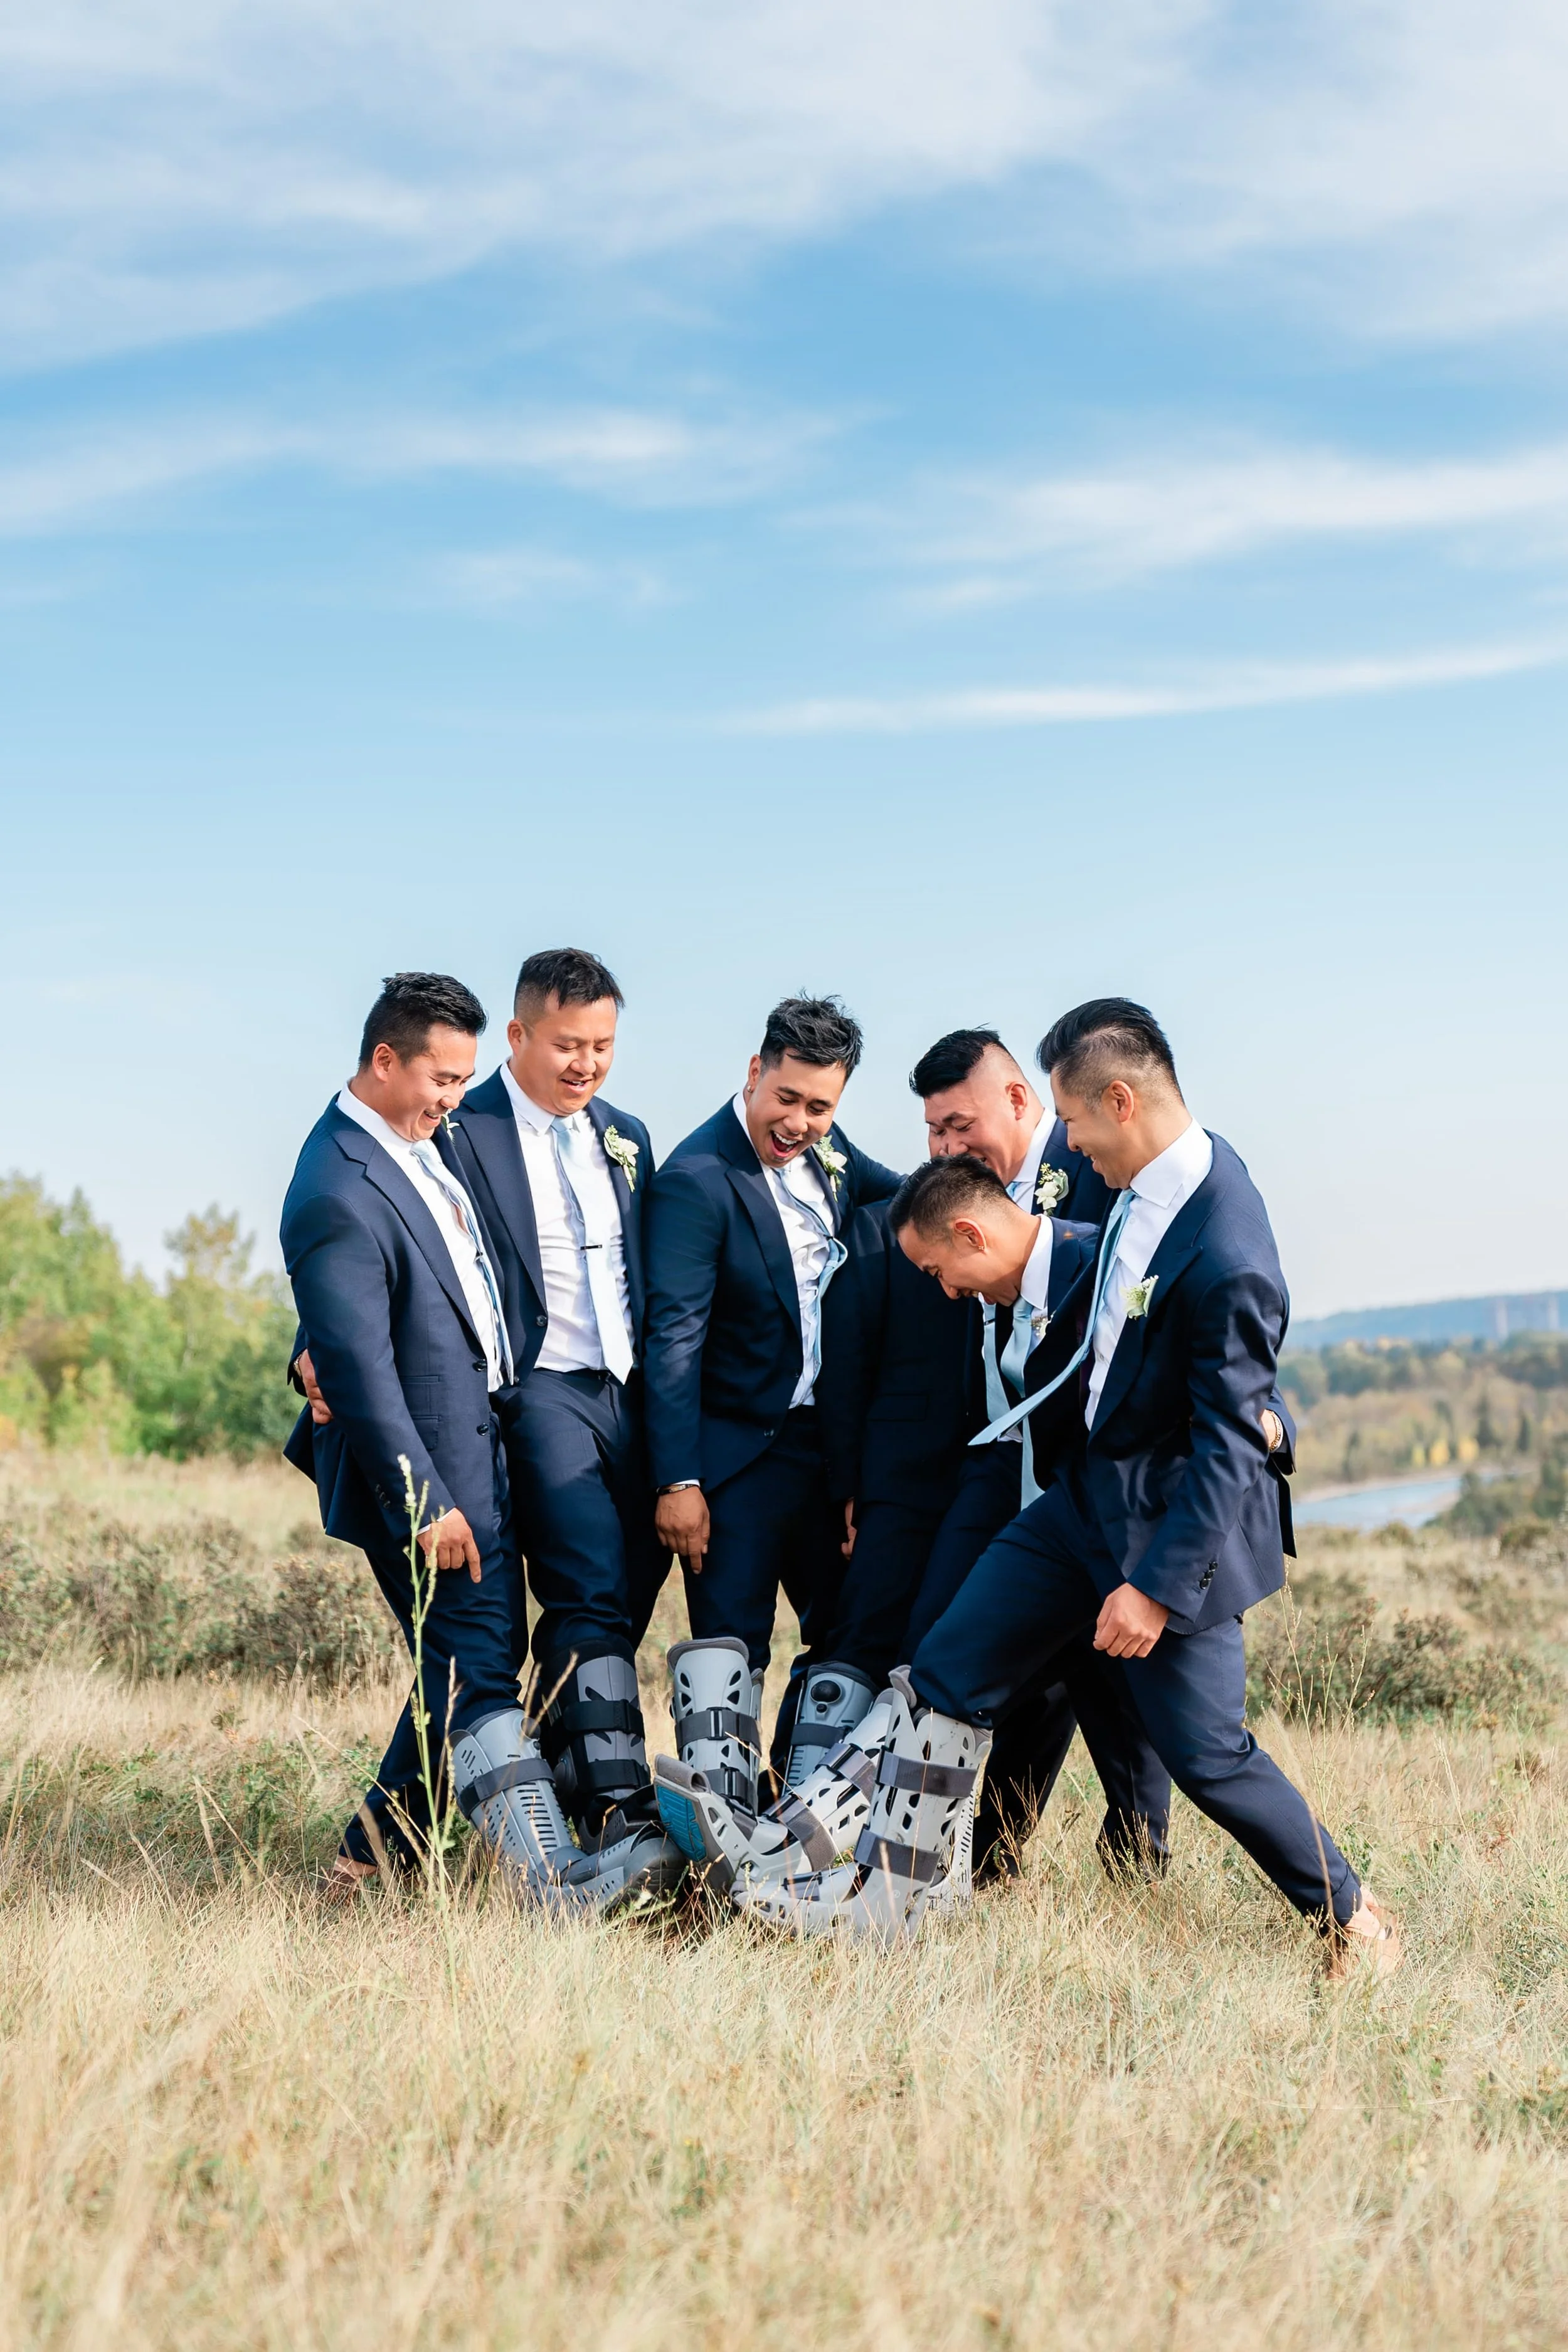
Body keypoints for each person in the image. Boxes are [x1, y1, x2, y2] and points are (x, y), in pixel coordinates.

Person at [753, 998, 1401, 1976]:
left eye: (1076, 1120)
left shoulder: (1224, 1243)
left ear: (1120, 1098)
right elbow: (1087, 1308)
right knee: (946, 1667)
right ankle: (886, 1894)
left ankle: (1353, 1916)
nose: (1069, 1144)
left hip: (1164, 1538)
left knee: (1209, 1756)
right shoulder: (1136, 1190)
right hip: (1077, 1509)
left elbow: (1229, 1436)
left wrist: (1153, 1587)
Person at [282, 972, 659, 1913]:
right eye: (439, 1078)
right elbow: (357, 1352)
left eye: (461, 1079)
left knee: (460, 1665)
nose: (453, 1099)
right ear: (384, 1060)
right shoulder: (345, 1175)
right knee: (479, 1665)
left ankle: (364, 1861)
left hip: (486, 1446)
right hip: (433, 1468)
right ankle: (550, 1883)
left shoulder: (413, 1142)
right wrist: (422, 1494)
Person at [435, 947, 679, 1891]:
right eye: (569, 1045)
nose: (587, 1065)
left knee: (623, 1589)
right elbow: (396, 1230)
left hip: (630, 1393)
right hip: (538, 1386)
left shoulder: (627, 1133)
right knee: (584, 1578)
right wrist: (313, 1346)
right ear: (519, 1034)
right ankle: (620, 1805)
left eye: (604, 1046)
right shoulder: (464, 1127)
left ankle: (554, 1767)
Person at [642, 995, 900, 1822]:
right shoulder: (695, 1179)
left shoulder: (834, 1154)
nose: (798, 1122)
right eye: (785, 1099)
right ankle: (720, 1837)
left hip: (825, 1455)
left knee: (846, 1636)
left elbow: (909, 1198)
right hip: (733, 1464)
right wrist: (678, 1478)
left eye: (820, 1106)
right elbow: (672, 1341)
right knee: (730, 1655)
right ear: (755, 1073)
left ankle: (802, 1816)